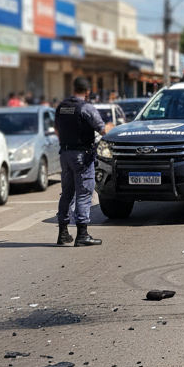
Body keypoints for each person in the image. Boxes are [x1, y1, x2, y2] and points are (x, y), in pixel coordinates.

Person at [56, 76, 110, 246]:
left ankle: (63, 233)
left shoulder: (61, 107)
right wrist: (110, 127)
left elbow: (57, 130)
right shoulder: (86, 108)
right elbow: (103, 131)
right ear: (87, 91)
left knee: (67, 193)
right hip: (82, 155)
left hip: (65, 154)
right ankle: (82, 235)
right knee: (84, 193)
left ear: (73, 90)